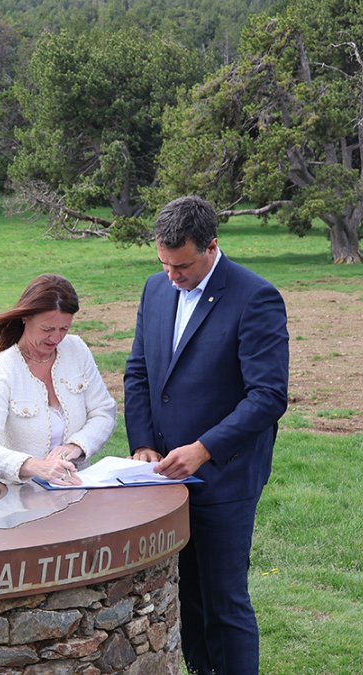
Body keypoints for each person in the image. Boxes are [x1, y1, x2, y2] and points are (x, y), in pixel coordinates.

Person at [124, 196, 289, 674]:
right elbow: (139, 372)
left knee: (223, 601)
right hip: (161, 477)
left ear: (212, 246)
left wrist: (204, 449)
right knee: (185, 597)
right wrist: (142, 443)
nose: (173, 276)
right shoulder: (155, 290)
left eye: (183, 266)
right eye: (165, 264)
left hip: (225, 477)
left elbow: (268, 396)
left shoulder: (255, 297)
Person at [0, 274, 117, 486]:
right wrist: (37, 467)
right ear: (25, 318)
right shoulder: (2, 368)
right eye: (47, 329)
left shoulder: (76, 350)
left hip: (76, 488)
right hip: (16, 499)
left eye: (64, 329)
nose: (56, 338)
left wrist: (75, 447)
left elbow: (104, 412)